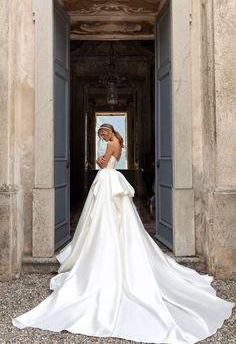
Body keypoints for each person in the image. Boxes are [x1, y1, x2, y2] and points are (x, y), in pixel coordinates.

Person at [12, 123, 235, 343]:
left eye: (104, 132)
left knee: (104, 215)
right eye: (100, 134)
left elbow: (101, 165)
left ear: (110, 131)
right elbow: (106, 161)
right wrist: (101, 160)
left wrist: (100, 160)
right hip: (112, 179)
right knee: (112, 216)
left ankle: (102, 250)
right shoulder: (118, 143)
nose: (103, 136)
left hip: (107, 179)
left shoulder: (112, 143)